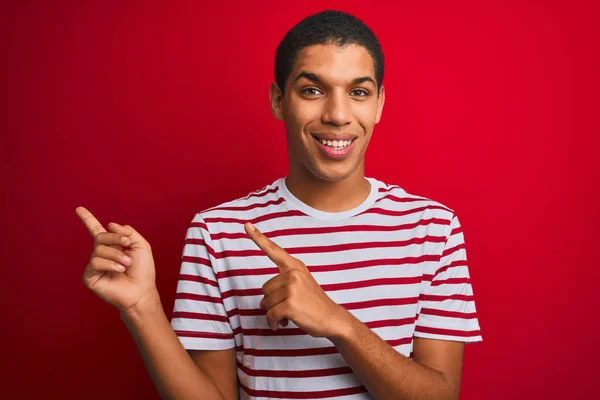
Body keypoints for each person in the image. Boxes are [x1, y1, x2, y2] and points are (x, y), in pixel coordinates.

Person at [76, 10, 482, 400]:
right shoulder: (217, 232)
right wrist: (143, 307)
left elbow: (440, 395)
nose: (338, 115)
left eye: (358, 92)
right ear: (278, 100)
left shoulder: (433, 229)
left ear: (378, 105)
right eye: (312, 90)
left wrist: (337, 322)